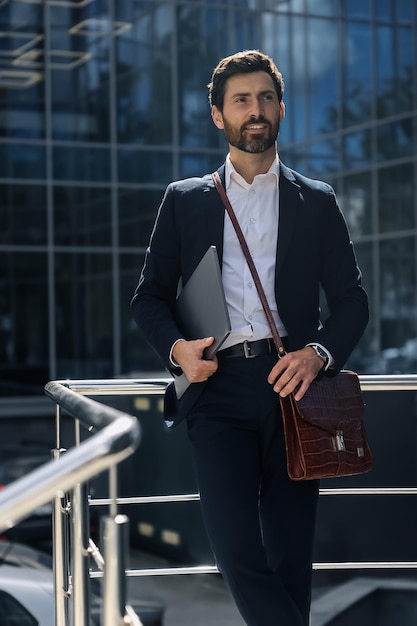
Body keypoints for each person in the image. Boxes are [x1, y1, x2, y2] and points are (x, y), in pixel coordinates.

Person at [131, 50, 369, 626]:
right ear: (219, 116)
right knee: (236, 550)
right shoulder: (184, 200)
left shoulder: (318, 201)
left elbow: (352, 303)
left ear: (281, 108)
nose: (255, 110)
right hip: (219, 392)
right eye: (241, 100)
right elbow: (148, 298)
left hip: (297, 393)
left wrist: (318, 354)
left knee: (291, 558)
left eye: (265, 98)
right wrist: (176, 350)